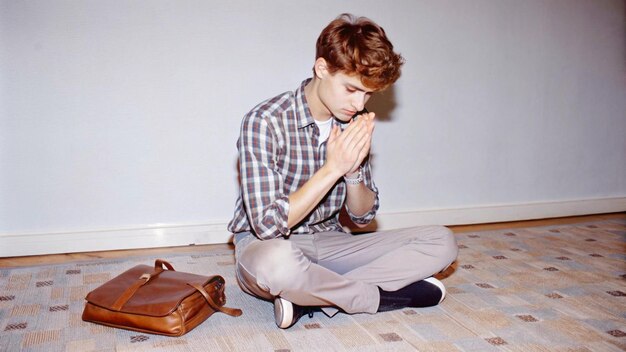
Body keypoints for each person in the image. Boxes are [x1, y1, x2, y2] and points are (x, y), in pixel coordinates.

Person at [228, 13, 458, 329]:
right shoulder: (264, 121)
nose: (359, 103)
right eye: (351, 89)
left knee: (441, 242)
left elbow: (363, 216)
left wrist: (351, 172)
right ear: (322, 68)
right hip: (268, 246)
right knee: (278, 266)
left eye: (367, 94)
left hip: (330, 242)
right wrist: (332, 168)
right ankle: (379, 298)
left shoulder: (351, 123)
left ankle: (312, 300)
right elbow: (268, 225)